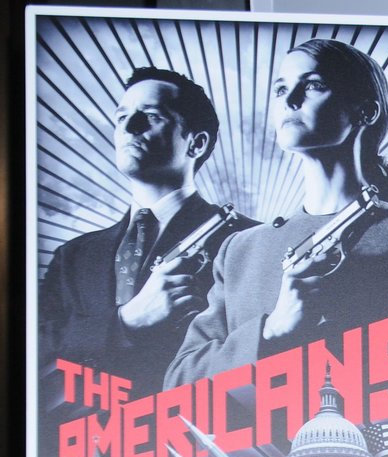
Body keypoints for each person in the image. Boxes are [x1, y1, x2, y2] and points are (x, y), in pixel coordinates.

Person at [166, 38, 388, 391]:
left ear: (366, 111)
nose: (290, 100)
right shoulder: (239, 250)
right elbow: (179, 385)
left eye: (313, 85)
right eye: (281, 88)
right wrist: (272, 330)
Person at [40, 66, 252, 400]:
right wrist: (125, 323)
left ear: (196, 144)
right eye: (122, 116)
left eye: (151, 116)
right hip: (86, 442)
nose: (129, 126)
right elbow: (34, 350)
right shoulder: (72, 256)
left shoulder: (248, 239)